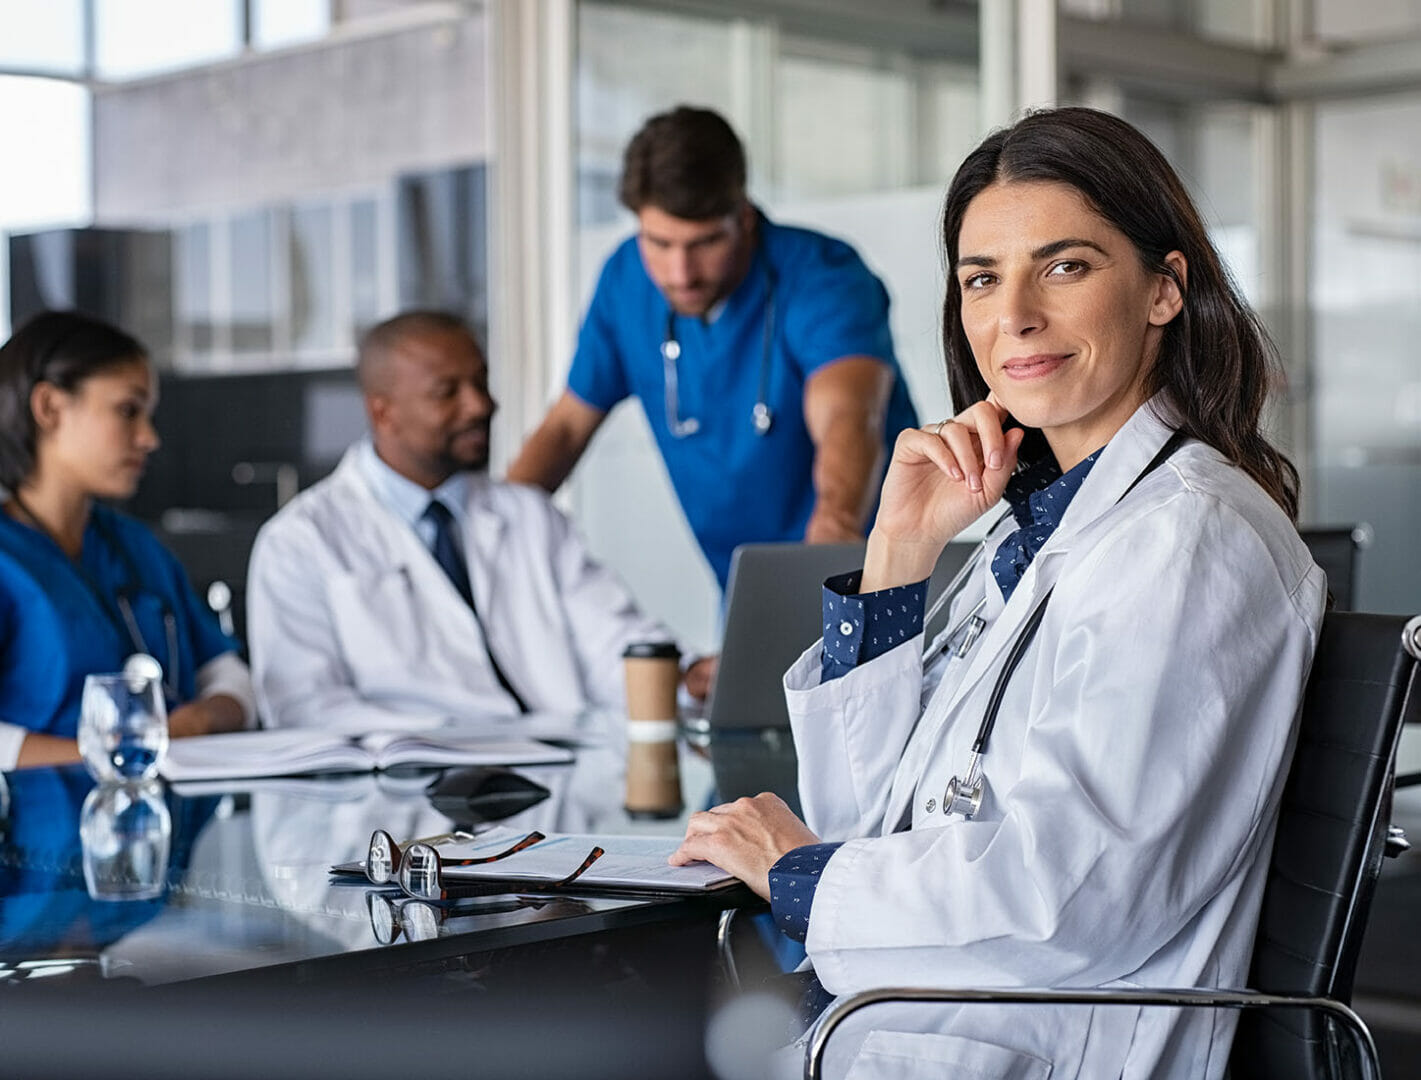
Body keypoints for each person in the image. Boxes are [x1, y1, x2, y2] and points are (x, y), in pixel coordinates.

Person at [669, 107, 1326, 1079]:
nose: (1012, 315)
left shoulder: (1185, 539)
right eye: (981, 278)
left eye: (1063, 267)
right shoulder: (1038, 530)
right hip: (915, 1024)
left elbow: (1074, 897)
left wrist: (799, 873)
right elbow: (864, 810)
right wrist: (897, 551)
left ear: (1162, 288)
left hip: (1035, 1047)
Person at [508, 105, 920, 591]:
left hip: (863, 568)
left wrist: (832, 535)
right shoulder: (624, 281)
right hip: (746, 585)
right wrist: (487, 537)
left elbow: (849, 416)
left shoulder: (822, 276)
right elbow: (564, 430)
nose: (680, 273)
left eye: (704, 243)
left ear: (743, 218)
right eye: (659, 243)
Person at [247, 310, 697, 730]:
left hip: (557, 793)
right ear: (382, 412)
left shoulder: (530, 516)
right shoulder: (301, 541)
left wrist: (687, 677)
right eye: (448, 393)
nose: (480, 405)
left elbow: (612, 645)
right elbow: (305, 708)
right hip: (398, 799)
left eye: (481, 382)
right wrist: (455, 742)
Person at [0, 311, 255, 770]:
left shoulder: (135, 547)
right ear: (50, 409)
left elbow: (230, 676)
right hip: (38, 827)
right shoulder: (8, 560)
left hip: (165, 821)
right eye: (128, 410)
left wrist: (202, 719)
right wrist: (122, 758)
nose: (149, 438)